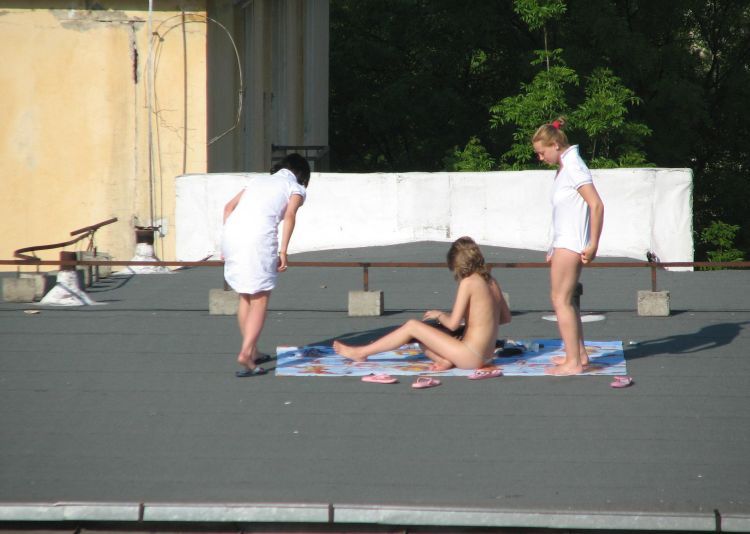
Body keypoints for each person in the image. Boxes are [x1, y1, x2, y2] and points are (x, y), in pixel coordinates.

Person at [333, 237, 511, 371]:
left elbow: (453, 323)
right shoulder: (492, 281)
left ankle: (361, 352)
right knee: (425, 338)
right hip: (487, 356)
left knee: (413, 327)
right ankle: (444, 360)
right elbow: (505, 318)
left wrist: (438, 314)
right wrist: (476, 323)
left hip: (471, 356)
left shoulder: (469, 282)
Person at [221, 153, 311, 377]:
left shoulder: (257, 181)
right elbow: (289, 216)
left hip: (232, 236)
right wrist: (283, 251)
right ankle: (245, 354)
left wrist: (224, 245)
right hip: (258, 239)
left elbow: (228, 208)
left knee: (245, 295)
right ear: (302, 174)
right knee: (260, 298)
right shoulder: (295, 187)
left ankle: (253, 351)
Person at [532, 118, 604, 375]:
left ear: (555, 145)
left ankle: (573, 362)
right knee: (567, 300)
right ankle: (580, 355)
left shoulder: (574, 166)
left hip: (571, 243)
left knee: (560, 300)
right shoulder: (565, 167)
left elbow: (596, 204)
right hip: (564, 242)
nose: (540, 158)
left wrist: (593, 243)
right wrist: (552, 245)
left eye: (542, 152)